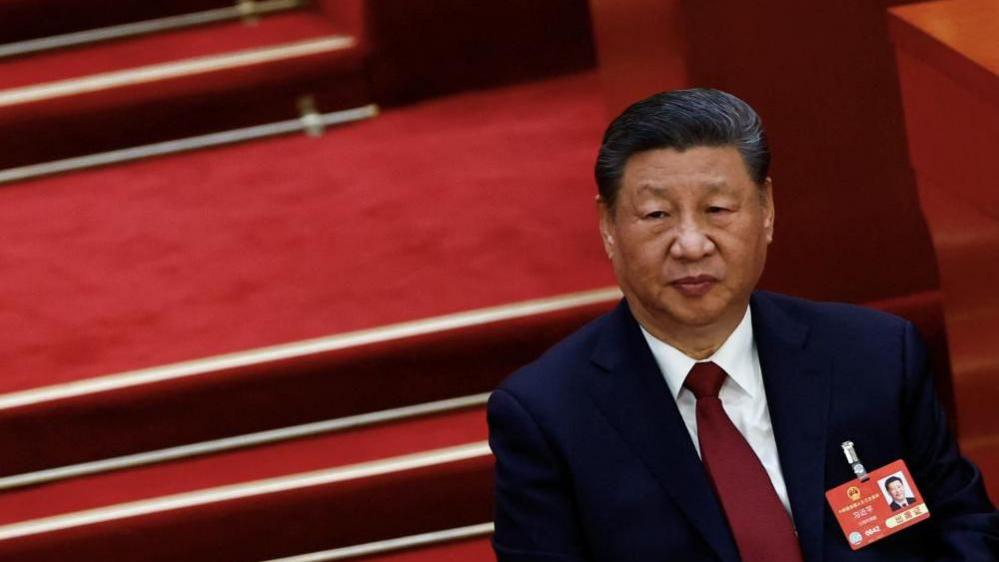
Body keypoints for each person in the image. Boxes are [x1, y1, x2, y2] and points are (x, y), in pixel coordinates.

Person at [487, 88, 999, 561]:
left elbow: (965, 524)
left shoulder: (877, 354)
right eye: (657, 215)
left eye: (717, 209)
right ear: (608, 227)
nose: (691, 244)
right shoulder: (547, 416)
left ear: (767, 211)